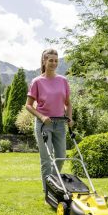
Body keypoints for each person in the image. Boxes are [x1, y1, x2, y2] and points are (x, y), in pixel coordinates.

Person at [25, 48, 73, 194]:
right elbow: (28, 105)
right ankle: (48, 192)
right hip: (43, 124)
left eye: (56, 61)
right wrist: (41, 117)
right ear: (44, 61)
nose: (53, 63)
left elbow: (68, 104)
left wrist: (69, 118)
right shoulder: (37, 82)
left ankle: (52, 183)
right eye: (50, 60)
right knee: (46, 159)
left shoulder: (63, 81)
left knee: (61, 157)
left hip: (60, 124)